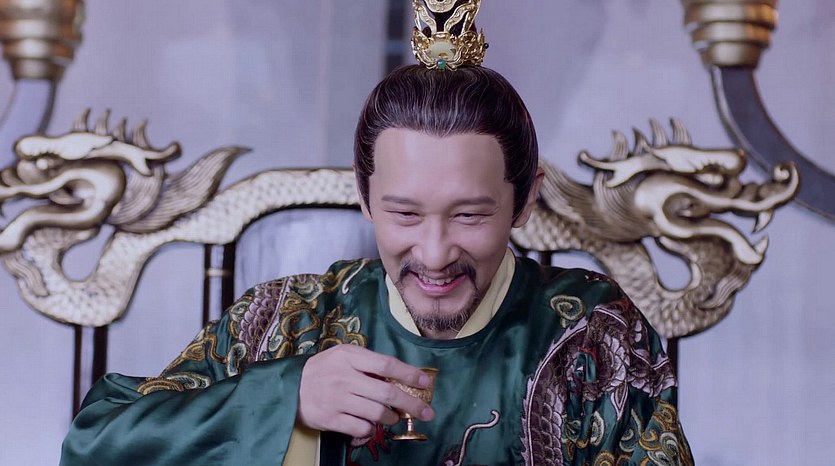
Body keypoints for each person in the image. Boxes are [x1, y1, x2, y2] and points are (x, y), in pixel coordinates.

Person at [60, 1, 692, 464]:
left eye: (469, 215)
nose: (435, 255)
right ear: (364, 198)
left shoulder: (594, 332)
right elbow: (95, 444)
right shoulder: (287, 321)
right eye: (405, 215)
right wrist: (287, 399)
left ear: (524, 200)